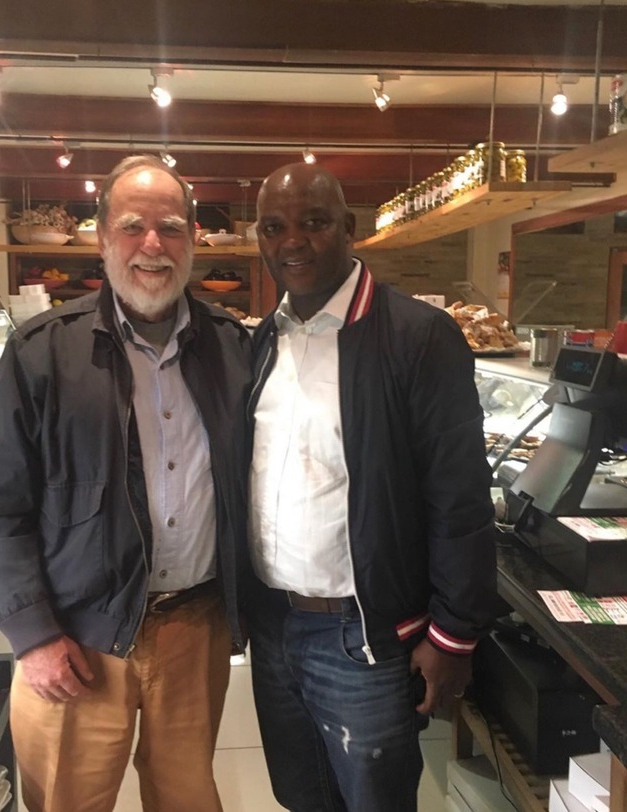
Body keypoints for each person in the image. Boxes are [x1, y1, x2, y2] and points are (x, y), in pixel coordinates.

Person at [0, 155, 252, 812]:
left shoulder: (234, 348)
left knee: (186, 799)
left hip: (195, 628)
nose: (153, 245)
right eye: (132, 226)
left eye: (170, 228)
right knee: (68, 799)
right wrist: (33, 634)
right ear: (101, 239)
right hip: (75, 639)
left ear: (194, 238)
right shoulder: (42, 352)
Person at [246, 162, 497, 812]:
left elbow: (461, 498)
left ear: (348, 228)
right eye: (273, 227)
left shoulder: (418, 337)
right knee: (302, 797)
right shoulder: (264, 341)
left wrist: (454, 635)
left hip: (365, 639)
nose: (292, 241)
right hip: (275, 628)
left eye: (314, 222)